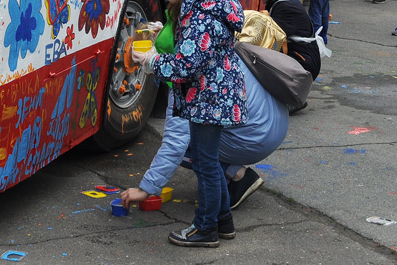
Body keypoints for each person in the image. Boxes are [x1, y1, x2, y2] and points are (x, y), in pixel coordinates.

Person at [132, 0, 246, 248]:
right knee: (207, 160)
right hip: (216, 92)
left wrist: (151, 62)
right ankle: (223, 221)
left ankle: (205, 229)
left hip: (208, 97)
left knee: (205, 164)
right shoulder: (208, 0)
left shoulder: (197, 15)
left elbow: (184, 65)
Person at [120, 41, 289, 215]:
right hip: (276, 120)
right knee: (203, 124)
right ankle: (224, 191)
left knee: (191, 141)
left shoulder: (184, 77)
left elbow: (175, 144)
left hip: (256, 137)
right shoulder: (209, 38)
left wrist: (145, 189)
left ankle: (237, 176)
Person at [242, 0, 321, 80]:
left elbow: (264, 38)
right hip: (302, 58)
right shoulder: (283, 1)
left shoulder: (286, 7)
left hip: (303, 63)